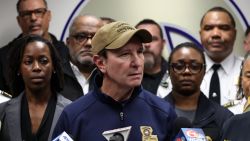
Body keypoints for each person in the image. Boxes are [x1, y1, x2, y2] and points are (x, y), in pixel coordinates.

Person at [52, 21, 177, 141]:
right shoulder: (73, 116)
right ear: (101, 63)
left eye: (139, 52)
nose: (137, 62)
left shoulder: (163, 112)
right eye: (125, 54)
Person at [0, 35, 71, 141]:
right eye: (28, 62)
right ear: (19, 69)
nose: (36, 67)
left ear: (54, 67)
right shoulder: (2, 111)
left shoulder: (71, 111)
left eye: (43, 61)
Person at [164, 42, 233, 141]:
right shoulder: (154, 112)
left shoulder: (224, 118)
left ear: (204, 71)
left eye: (194, 66)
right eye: (179, 66)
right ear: (169, 71)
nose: (186, 72)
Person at [0, 0, 69, 95]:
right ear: (19, 20)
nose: (33, 18)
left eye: (38, 12)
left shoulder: (68, 53)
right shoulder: (3, 56)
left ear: (48, 15)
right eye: (26, 14)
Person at [199, 7, 243, 114]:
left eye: (223, 28)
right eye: (208, 28)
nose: (215, 34)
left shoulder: (246, 71)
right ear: (200, 34)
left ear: (235, 33)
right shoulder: (182, 72)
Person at [60, 15, 103, 101]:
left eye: (96, 37)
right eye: (81, 37)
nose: (89, 43)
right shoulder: (54, 75)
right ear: (68, 42)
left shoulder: (112, 76)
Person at [135, 19, 169, 96]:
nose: (147, 44)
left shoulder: (174, 75)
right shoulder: (123, 77)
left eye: (153, 39)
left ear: (163, 44)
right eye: (141, 39)